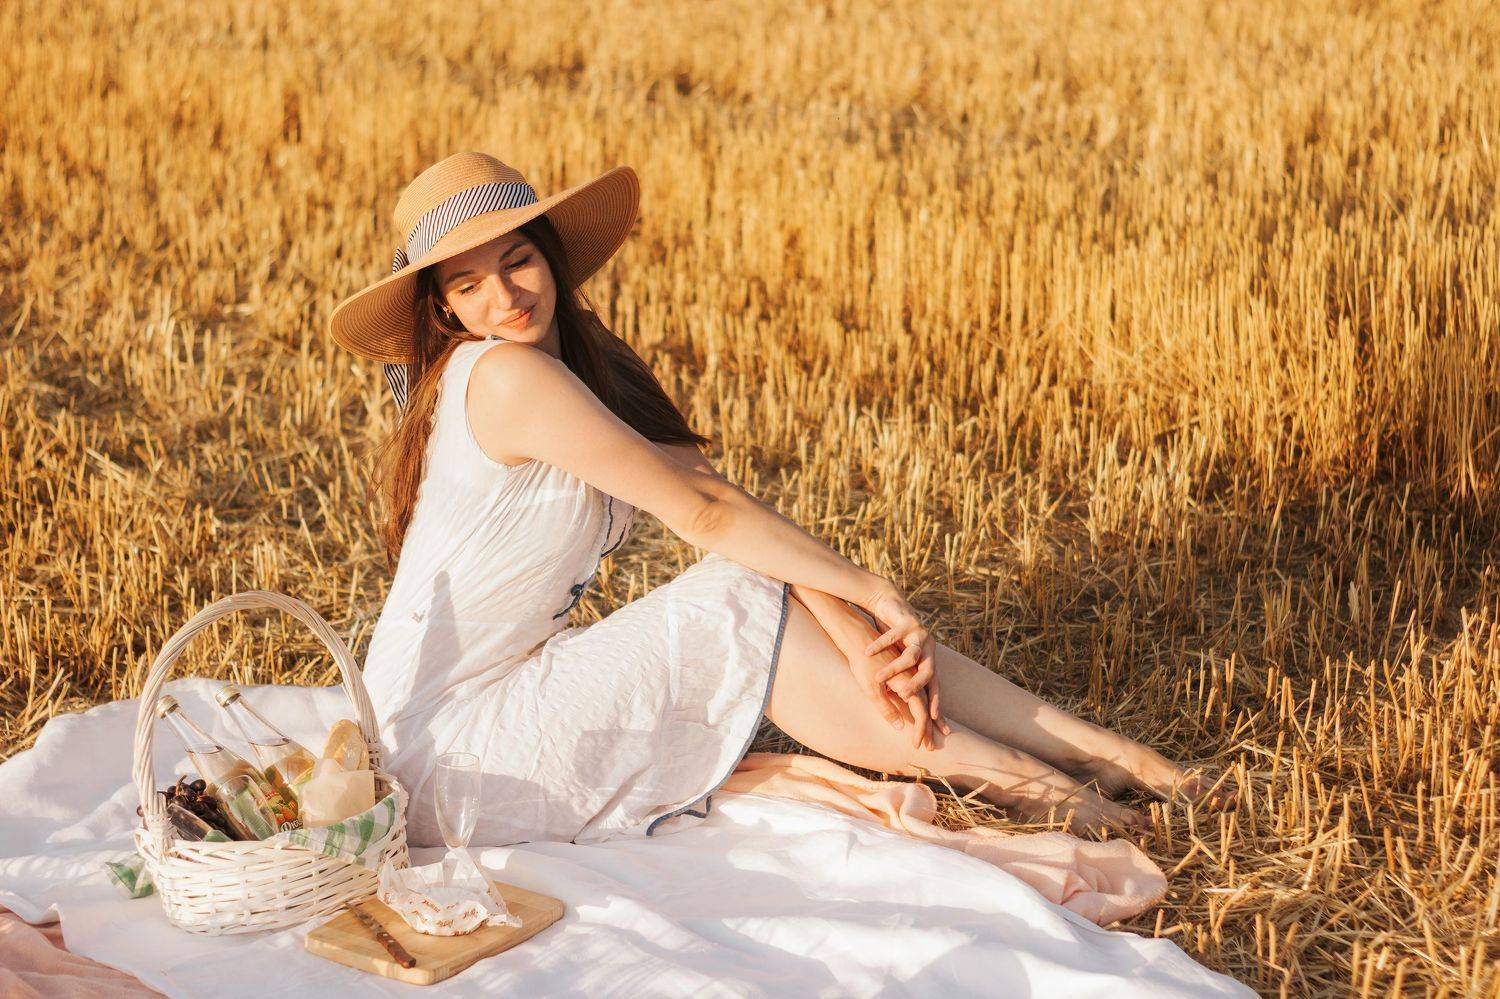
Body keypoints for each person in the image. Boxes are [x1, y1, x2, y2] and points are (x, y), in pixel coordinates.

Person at [327, 151, 1224, 849]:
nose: (503, 296)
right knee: (735, 595)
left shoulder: (586, 363)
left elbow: (719, 496)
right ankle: (1040, 789)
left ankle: (1108, 753)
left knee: (776, 589)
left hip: (502, 710)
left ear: (549, 254)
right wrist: (868, 589)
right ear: (444, 309)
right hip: (442, 764)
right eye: (468, 285)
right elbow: (704, 519)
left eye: (517, 261)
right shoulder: (502, 376)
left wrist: (852, 624)